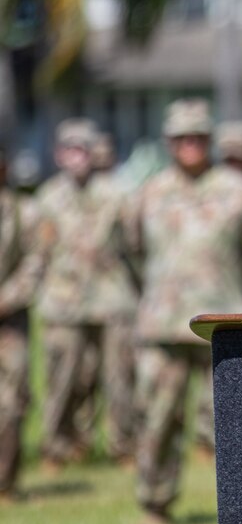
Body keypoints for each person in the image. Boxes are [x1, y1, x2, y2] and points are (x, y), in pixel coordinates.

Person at [124, 98, 242, 524]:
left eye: (198, 137)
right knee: (158, 417)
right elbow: (131, 251)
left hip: (224, 320)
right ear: (169, 143)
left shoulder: (235, 188)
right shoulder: (150, 192)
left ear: (209, 140)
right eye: (182, 138)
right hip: (164, 322)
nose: (191, 145)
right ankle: (154, 502)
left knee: (235, 422)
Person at [36, 119, 140, 467]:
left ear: (93, 154)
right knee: (63, 379)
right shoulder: (48, 198)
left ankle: (123, 446)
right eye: (70, 149)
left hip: (111, 297)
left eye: (83, 149)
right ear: (59, 154)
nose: (77, 157)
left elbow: (133, 244)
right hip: (64, 300)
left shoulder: (117, 193)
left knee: (119, 378)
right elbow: (41, 250)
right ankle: (57, 447)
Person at [0, 145, 46, 501]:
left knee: (10, 401)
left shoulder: (24, 212)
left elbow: (35, 264)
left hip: (9, 320)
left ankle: (5, 482)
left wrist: (6, 299)